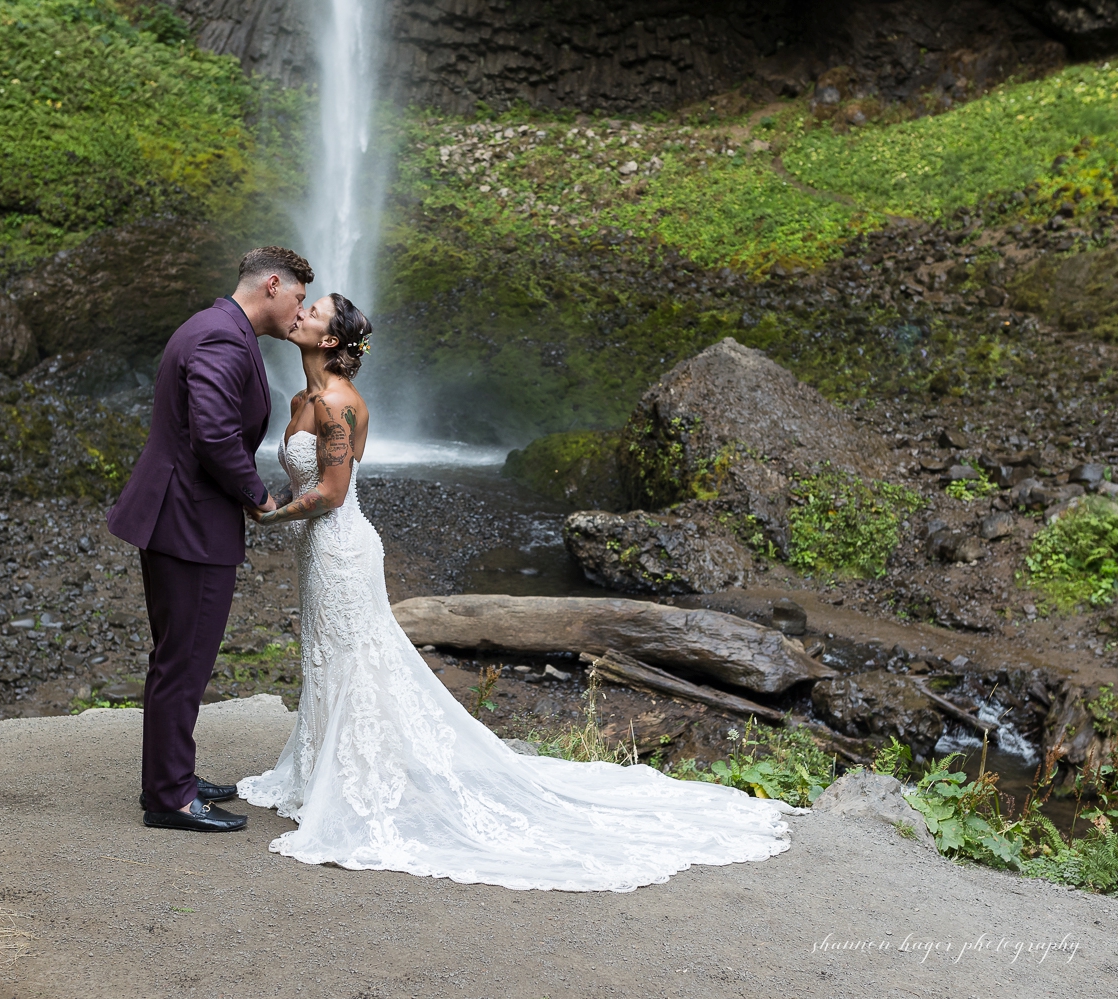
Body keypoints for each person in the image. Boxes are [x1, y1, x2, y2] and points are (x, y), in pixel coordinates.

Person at [239, 293, 797, 891]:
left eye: (313, 311)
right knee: (325, 658)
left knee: (353, 658)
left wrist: (268, 516)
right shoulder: (301, 399)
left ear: (329, 340)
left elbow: (332, 493)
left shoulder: (337, 404)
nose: (299, 313)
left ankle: (358, 782)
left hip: (342, 549)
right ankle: (322, 770)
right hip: (316, 550)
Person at [106, 246, 313, 833]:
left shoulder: (213, 324)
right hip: (188, 519)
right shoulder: (223, 338)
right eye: (298, 297)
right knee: (184, 660)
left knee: (178, 656)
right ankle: (170, 797)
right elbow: (216, 436)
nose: (300, 311)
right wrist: (260, 497)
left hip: (179, 512)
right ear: (273, 285)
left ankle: (173, 775)